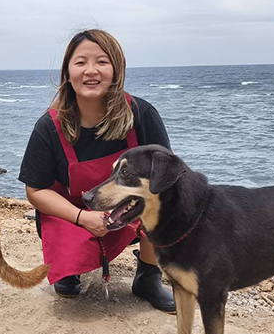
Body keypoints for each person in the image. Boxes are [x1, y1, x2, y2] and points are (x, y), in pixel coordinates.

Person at [19, 29, 175, 311]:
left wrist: (126, 210)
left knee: (162, 204)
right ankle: (68, 270)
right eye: (80, 63)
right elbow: (36, 189)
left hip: (129, 208)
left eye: (102, 62)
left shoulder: (141, 115)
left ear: (116, 69)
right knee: (67, 266)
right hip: (73, 213)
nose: (91, 71)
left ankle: (148, 276)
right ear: (68, 72)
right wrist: (83, 217)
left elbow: (165, 177)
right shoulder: (48, 127)